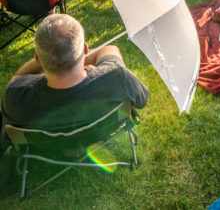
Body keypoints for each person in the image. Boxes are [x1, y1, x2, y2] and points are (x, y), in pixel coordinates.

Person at [1, 14, 148, 131]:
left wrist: (49, 56)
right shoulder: (120, 78)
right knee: (110, 50)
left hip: (44, 147)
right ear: (85, 49)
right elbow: (142, 100)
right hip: (100, 132)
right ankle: (72, 61)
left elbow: (16, 79)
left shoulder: (15, 95)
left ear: (37, 59)